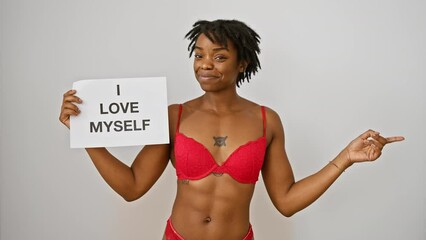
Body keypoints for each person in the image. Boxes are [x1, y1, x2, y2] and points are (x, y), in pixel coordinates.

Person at [59, 19, 405, 240]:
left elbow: (286, 202)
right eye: (198, 54)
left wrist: (345, 158)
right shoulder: (173, 116)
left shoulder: (267, 120)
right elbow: (132, 187)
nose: (205, 64)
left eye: (219, 56)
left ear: (242, 64)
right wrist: (87, 134)